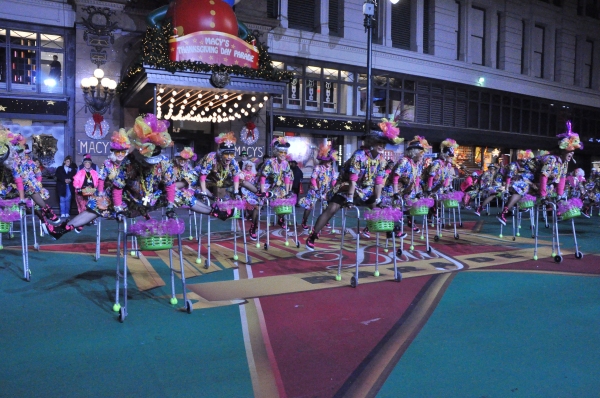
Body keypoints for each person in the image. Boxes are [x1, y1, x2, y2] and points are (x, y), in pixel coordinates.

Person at [306, 119, 403, 251]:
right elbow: (352, 179)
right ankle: (313, 235)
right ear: (371, 143)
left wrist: (378, 199)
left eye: (383, 143)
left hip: (365, 189)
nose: (381, 146)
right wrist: (350, 199)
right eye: (379, 143)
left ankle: (391, 230)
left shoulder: (382, 160)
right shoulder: (359, 155)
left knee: (381, 206)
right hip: (346, 187)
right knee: (332, 208)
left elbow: (379, 181)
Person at [298, 143, 338, 230]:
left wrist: (335, 189)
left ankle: (325, 220)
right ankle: (304, 221)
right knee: (309, 205)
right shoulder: (318, 168)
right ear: (324, 160)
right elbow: (313, 179)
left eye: (331, 160)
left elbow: (334, 181)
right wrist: (316, 189)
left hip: (326, 190)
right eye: (328, 160)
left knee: (327, 206)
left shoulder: (332, 170)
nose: (329, 162)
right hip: (314, 190)